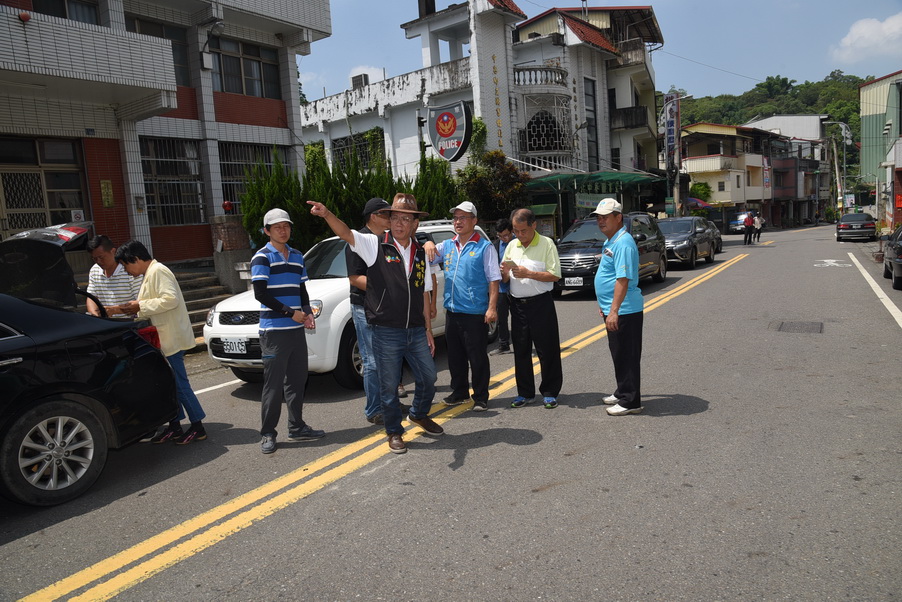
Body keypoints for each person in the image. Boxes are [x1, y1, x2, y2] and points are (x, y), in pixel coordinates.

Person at [308, 194, 443, 454]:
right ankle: (394, 431)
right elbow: (346, 233)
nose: (401, 223)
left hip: (415, 329)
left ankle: (418, 413)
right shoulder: (374, 244)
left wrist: (427, 329)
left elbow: (424, 293)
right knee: (389, 385)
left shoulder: (419, 253)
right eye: (396, 218)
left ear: (415, 223)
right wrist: (326, 214)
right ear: (389, 221)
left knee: (429, 377)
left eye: (407, 218)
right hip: (386, 329)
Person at [115, 240, 207, 444]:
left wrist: (140, 305)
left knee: (179, 384)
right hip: (162, 339)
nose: (126, 270)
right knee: (167, 384)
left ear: (136, 259)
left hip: (170, 338)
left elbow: (170, 299)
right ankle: (174, 426)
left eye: (126, 265)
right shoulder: (151, 273)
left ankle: (197, 426)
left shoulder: (158, 271)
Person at [252, 208, 324, 454]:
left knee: (297, 381)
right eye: (277, 227)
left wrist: (306, 313)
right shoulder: (262, 257)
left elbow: (301, 289)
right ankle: (268, 433)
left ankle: (297, 427)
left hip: (295, 329)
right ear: (267, 231)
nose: (283, 231)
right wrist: (289, 312)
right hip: (273, 332)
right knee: (273, 386)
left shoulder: (297, 256)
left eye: (286, 226)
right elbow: (260, 293)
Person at [426, 201, 500, 412]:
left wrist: (492, 307)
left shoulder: (484, 247)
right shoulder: (448, 245)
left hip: (475, 312)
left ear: (474, 221)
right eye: (456, 218)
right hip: (453, 311)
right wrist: (427, 244)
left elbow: (493, 279)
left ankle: (481, 396)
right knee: (455, 356)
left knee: (476, 356)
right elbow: (428, 255)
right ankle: (459, 392)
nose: (458, 222)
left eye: (463, 218)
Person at [500, 208, 563, 409]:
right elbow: (505, 279)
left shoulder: (547, 244)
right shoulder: (511, 245)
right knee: (521, 350)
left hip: (540, 303)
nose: (519, 235)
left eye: (523, 230)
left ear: (533, 225)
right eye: (516, 231)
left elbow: (554, 275)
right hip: (517, 305)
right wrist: (505, 272)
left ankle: (550, 391)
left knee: (547, 349)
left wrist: (529, 273)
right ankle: (525, 393)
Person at [592, 199, 644, 416]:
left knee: (627, 355)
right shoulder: (612, 241)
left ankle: (630, 401)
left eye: (605, 217)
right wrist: (606, 306)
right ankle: (623, 390)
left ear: (618, 217)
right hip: (615, 309)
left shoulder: (623, 243)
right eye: (599, 217)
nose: (601, 221)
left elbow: (622, 279)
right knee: (619, 353)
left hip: (625, 311)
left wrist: (613, 310)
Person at [346, 197, 392, 425]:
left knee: (387, 359)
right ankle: (374, 409)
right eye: (386, 214)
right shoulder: (358, 240)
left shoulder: (386, 240)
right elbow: (354, 278)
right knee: (372, 361)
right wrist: (386, 286)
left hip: (384, 308)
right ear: (374, 216)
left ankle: (387, 403)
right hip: (364, 306)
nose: (390, 218)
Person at [85, 235, 141, 318]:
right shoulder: (94, 270)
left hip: (129, 323)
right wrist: (95, 315)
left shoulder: (130, 270)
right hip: (106, 323)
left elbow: (139, 303)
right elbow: (91, 297)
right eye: (95, 259)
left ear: (113, 251)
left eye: (101, 257)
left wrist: (114, 310)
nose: (98, 261)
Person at [491, 218, 514, 355]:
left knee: (519, 319)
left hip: (517, 287)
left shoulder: (518, 243)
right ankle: (504, 345)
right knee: (501, 318)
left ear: (512, 232)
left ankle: (523, 345)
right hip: (501, 288)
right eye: (500, 236)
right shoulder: (495, 245)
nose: (504, 238)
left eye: (506, 235)